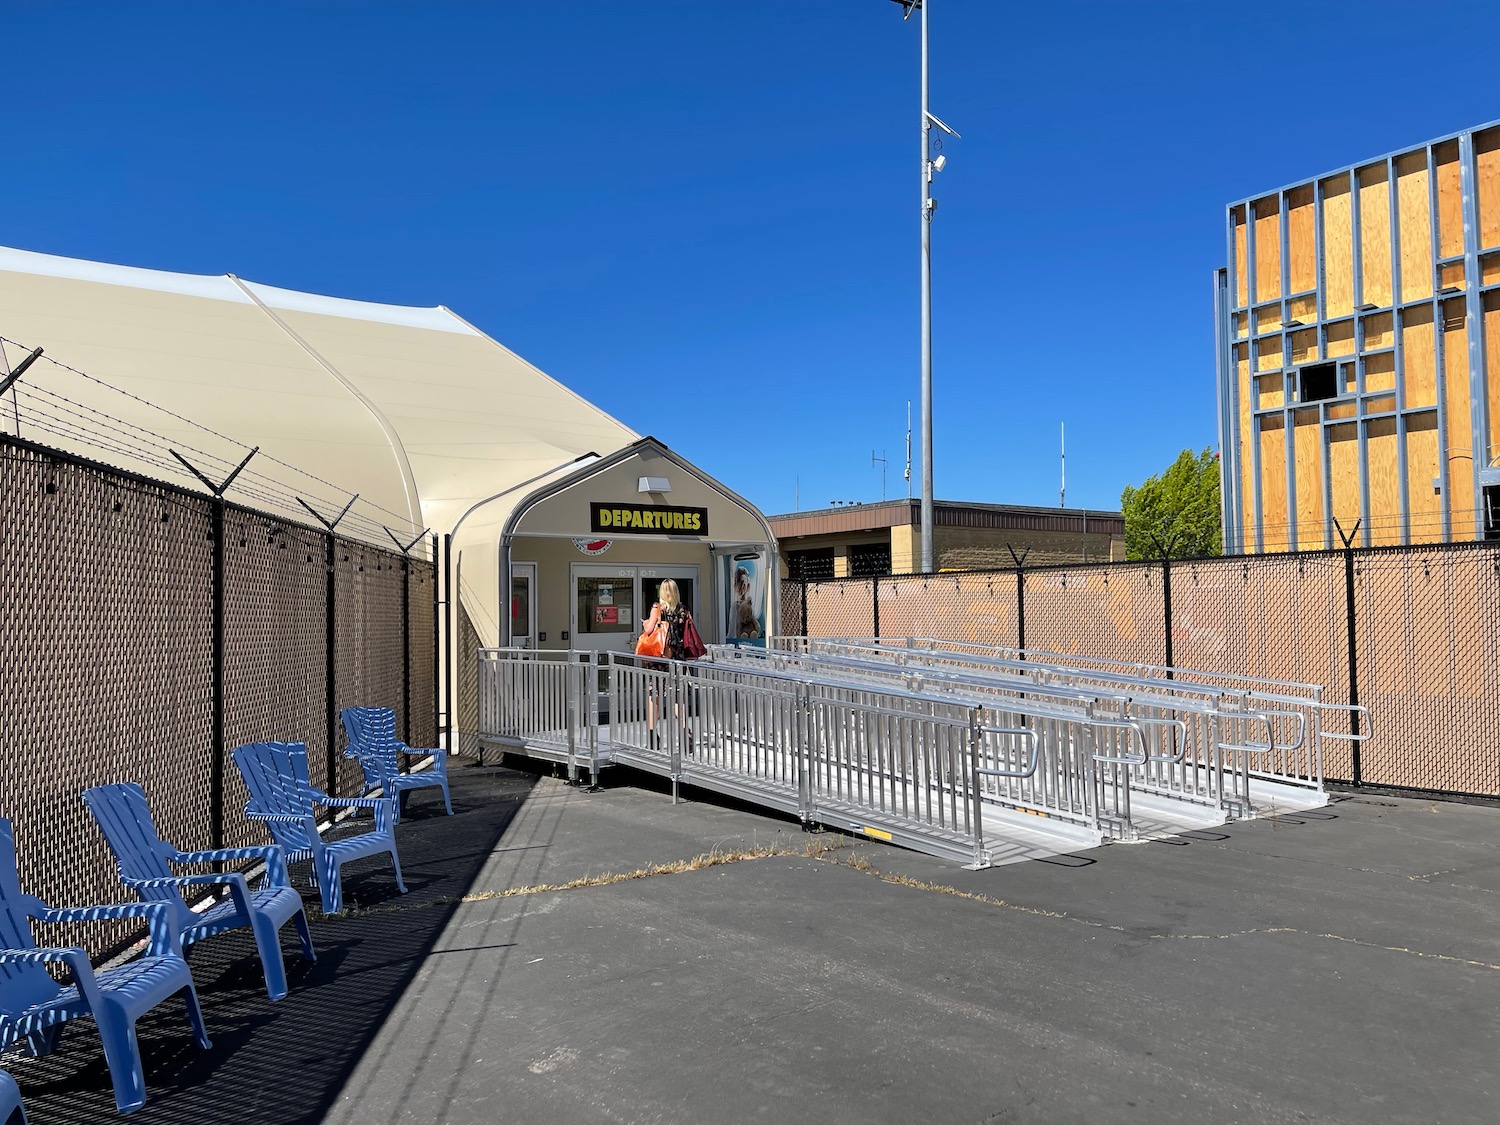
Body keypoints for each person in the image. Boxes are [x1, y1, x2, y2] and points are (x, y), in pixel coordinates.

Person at [640, 579, 698, 751]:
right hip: (677, 660)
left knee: (655, 696)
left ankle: (652, 736)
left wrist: (645, 623)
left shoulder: (657, 608)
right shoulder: (683, 611)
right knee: (678, 697)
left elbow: (649, 629)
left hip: (659, 659)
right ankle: (685, 734)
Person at [732, 565, 761, 639]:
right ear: (735, 586)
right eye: (738, 584)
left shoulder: (751, 605)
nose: (741, 588)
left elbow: (755, 623)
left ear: (748, 586)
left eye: (743, 584)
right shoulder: (734, 606)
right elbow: (733, 629)